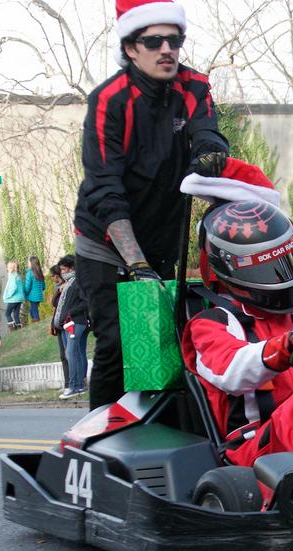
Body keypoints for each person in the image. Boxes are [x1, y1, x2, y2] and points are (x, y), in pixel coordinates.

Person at [73, 0, 229, 410]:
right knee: (118, 341)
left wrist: (209, 153)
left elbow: (208, 132)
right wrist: (135, 262)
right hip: (105, 241)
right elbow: (104, 186)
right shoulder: (109, 100)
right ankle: (99, 440)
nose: (167, 50)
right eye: (154, 40)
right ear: (130, 48)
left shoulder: (194, 86)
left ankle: (155, 428)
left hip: (160, 238)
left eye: (174, 40)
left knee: (163, 339)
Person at [180, 198, 293, 467]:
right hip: (253, 451)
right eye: (270, 269)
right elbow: (232, 370)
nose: (283, 277)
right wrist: (287, 346)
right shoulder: (210, 324)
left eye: (288, 262)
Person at [55, 255, 90, 400]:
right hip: (70, 322)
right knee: (76, 353)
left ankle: (74, 386)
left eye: (64, 269)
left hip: (76, 322)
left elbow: (85, 302)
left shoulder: (77, 282)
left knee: (70, 354)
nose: (62, 272)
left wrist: (70, 313)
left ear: (71, 268)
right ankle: (79, 386)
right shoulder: (69, 283)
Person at [47, 263, 71, 390]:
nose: (52, 279)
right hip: (59, 325)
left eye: (53, 276)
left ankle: (73, 383)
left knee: (69, 354)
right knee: (63, 355)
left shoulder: (66, 288)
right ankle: (68, 383)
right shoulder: (59, 288)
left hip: (66, 324)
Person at [3, 260, 26, 330]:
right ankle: (19, 328)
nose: (7, 268)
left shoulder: (12, 276)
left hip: (13, 299)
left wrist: (8, 295)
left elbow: (13, 287)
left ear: (10, 268)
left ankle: (13, 329)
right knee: (16, 314)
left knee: (7, 313)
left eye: (8, 267)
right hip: (19, 299)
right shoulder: (18, 275)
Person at [24, 256, 46, 323]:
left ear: (31, 263)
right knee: (32, 310)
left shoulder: (29, 273)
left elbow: (27, 286)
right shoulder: (39, 272)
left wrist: (25, 293)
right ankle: (35, 323)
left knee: (34, 311)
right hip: (39, 296)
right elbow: (43, 286)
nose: (28, 264)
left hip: (33, 296)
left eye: (28, 262)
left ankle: (37, 324)